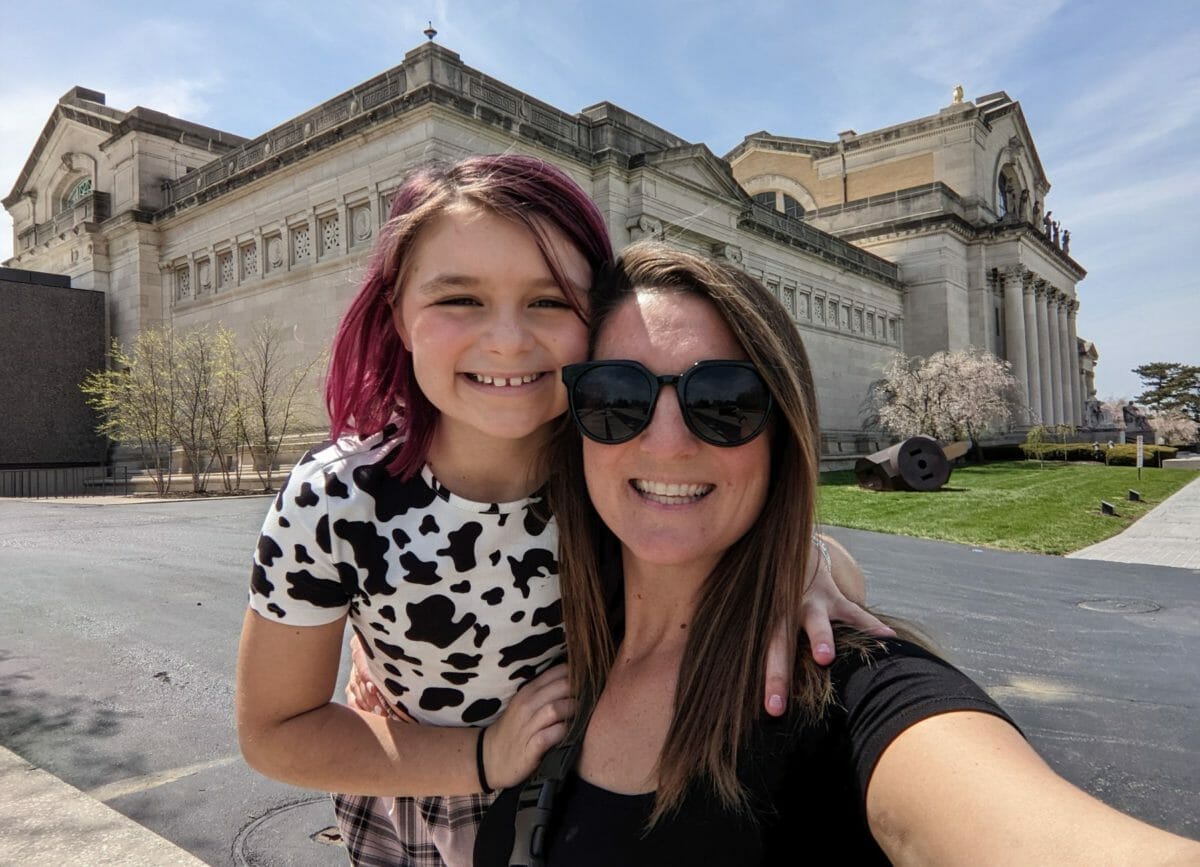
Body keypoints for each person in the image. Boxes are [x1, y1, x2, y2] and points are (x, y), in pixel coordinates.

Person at [235, 154, 885, 867]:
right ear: (398, 313)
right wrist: (483, 756)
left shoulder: (610, 454)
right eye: (460, 298)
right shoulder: (337, 498)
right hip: (418, 803)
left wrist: (807, 565)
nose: (509, 339)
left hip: (594, 793)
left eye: (549, 301)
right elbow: (274, 729)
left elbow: (746, 533)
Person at [474, 244, 1200, 866]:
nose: (666, 442)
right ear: (575, 429)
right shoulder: (531, 632)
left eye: (724, 402)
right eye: (614, 398)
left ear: (784, 435)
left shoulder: (849, 686)